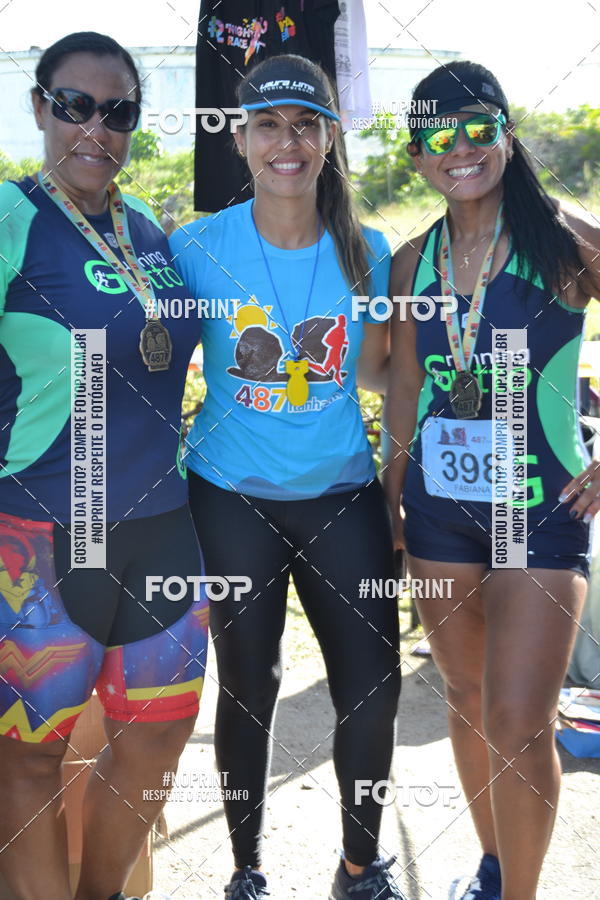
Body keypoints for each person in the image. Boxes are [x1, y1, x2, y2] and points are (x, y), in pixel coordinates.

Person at [170, 53, 406, 900]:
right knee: (248, 688)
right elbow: (148, 362)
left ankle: (358, 866)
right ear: (239, 138)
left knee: (374, 691)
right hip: (230, 495)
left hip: (342, 494)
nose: (288, 142)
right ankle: (246, 870)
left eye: (306, 124)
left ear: (330, 136)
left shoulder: (367, 251)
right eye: (268, 124)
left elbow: (380, 373)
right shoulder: (196, 246)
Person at [384, 61, 600, 900]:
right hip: (440, 516)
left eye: (480, 128)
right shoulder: (413, 262)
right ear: (419, 156)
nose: (462, 149)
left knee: (519, 719)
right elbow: (404, 384)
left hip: (541, 513)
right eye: (441, 136)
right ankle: (493, 867)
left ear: (506, 132)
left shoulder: (564, 239)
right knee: (470, 699)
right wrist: (391, 494)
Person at [0, 32, 207, 900]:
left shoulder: (152, 232)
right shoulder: (12, 218)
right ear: (41, 106)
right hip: (43, 536)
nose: (96, 127)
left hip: (162, 532)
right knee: (29, 760)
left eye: (117, 111)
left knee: (157, 740)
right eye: (76, 106)